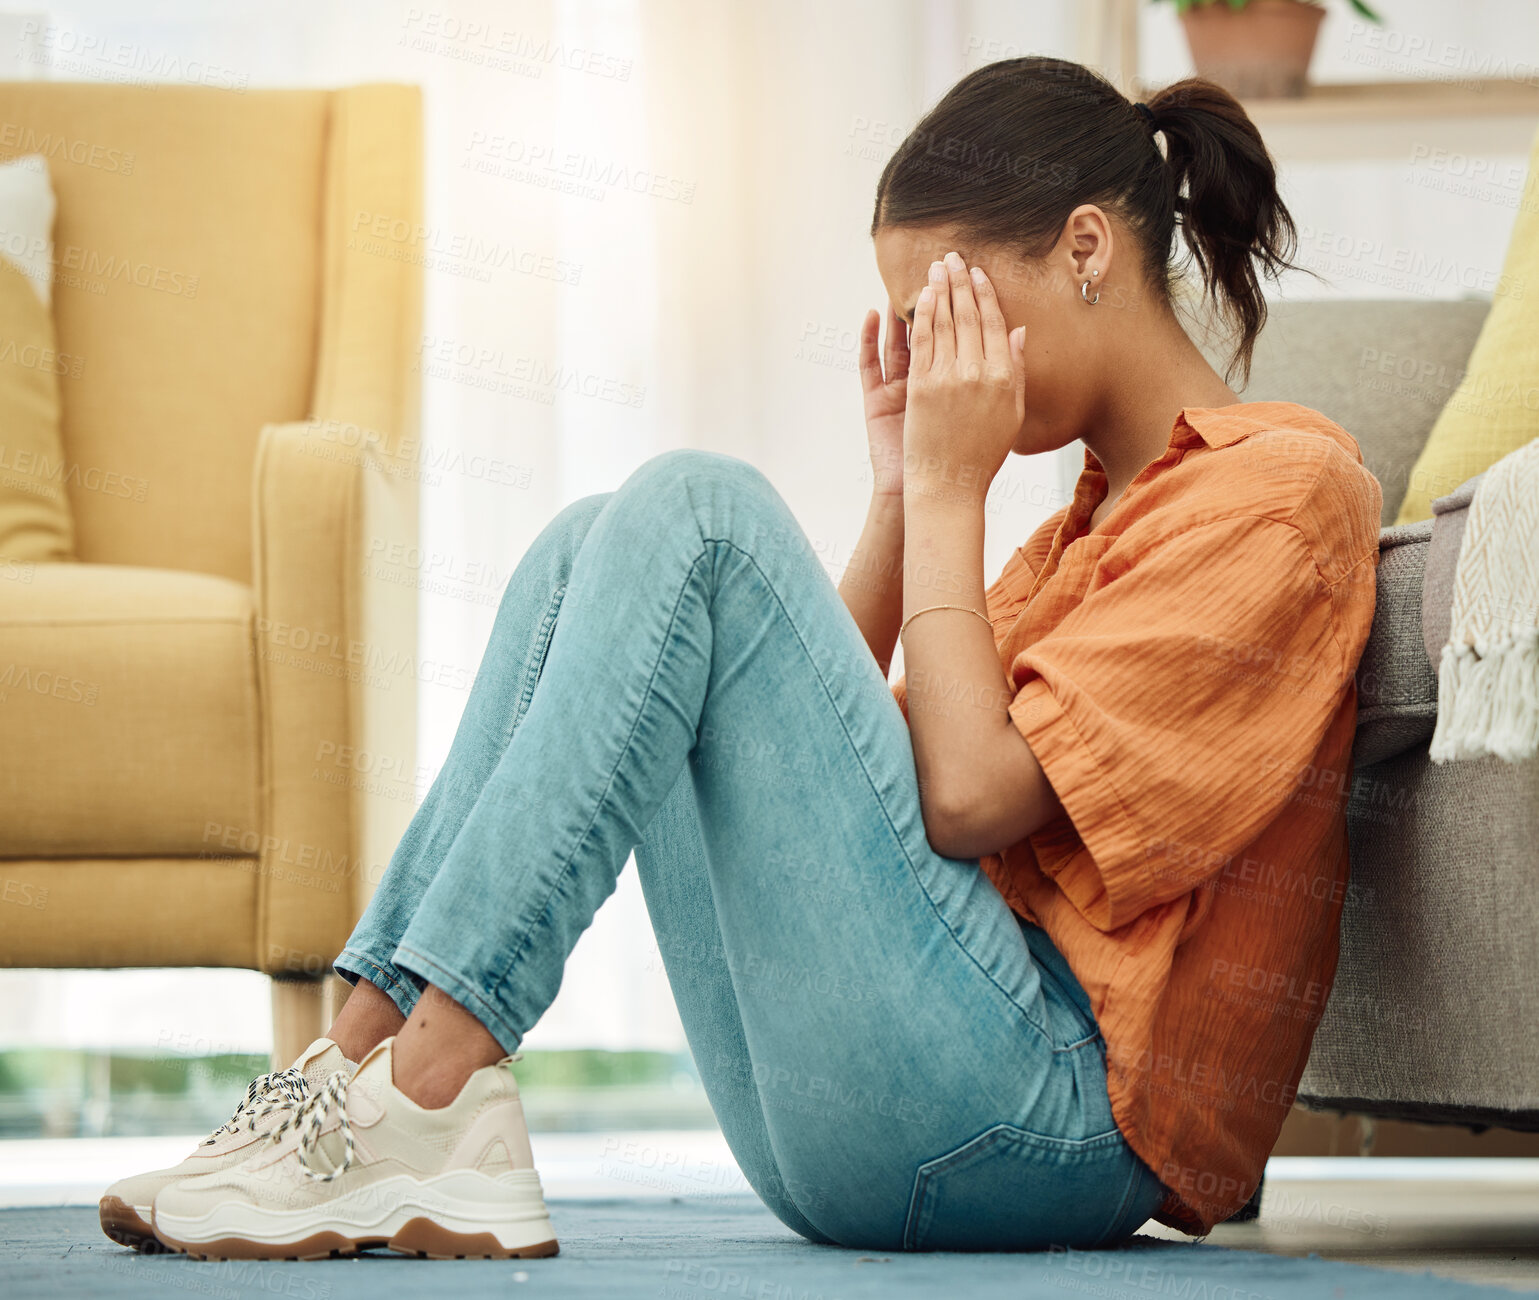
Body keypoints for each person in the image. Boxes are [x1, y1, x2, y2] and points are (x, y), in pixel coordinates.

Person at [98, 56, 1380, 1261]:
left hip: (1048, 1125)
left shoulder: (1279, 498)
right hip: (878, 1114)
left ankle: (431, 1087)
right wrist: (898, 497)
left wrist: (945, 495)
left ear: (1086, 248)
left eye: (945, 312)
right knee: (586, 546)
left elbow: (969, 796)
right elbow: (830, 762)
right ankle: (357, 1079)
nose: (933, 361)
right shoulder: (1074, 528)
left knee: (699, 508)